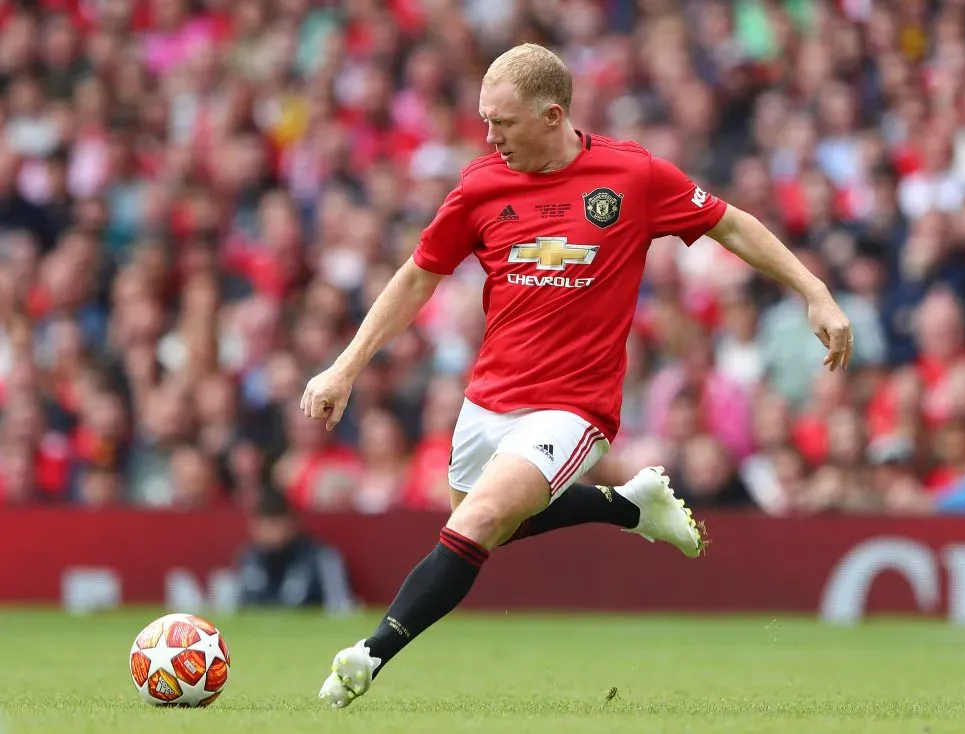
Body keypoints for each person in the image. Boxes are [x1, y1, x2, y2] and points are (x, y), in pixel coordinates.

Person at [301, 43, 853, 708]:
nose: (488, 136)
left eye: (502, 123)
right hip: (488, 399)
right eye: (484, 120)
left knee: (478, 521)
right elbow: (419, 277)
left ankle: (367, 656)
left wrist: (814, 291)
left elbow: (730, 225)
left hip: (573, 407)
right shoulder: (480, 185)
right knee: (489, 525)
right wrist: (346, 367)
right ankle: (628, 505)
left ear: (553, 115)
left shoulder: (631, 176)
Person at [235, 489, 357, 614]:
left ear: (291, 523)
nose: (268, 532)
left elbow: (342, 609)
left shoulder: (322, 558)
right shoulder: (248, 558)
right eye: (261, 525)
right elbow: (233, 607)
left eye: (274, 524)